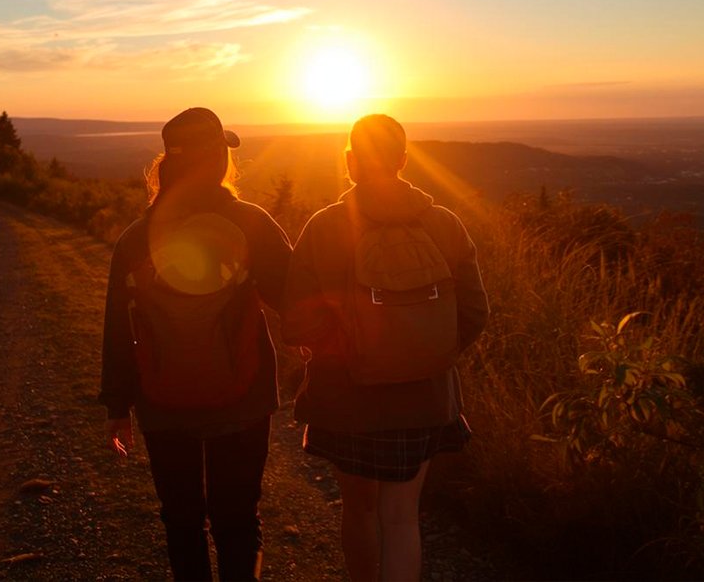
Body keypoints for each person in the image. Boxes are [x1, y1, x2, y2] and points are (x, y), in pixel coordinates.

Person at [282, 114, 490, 582]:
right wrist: (429, 352)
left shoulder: (324, 228)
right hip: (424, 398)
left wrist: (338, 351)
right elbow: (475, 312)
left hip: (346, 400)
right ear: (402, 159)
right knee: (401, 518)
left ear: (351, 163)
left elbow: (296, 320)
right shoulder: (445, 225)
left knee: (357, 510)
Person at [99, 107, 292, 581]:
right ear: (219, 160)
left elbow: (118, 327)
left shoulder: (136, 237)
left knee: (181, 520)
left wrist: (118, 407)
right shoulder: (251, 222)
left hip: (163, 402)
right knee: (238, 518)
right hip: (244, 396)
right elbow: (293, 296)